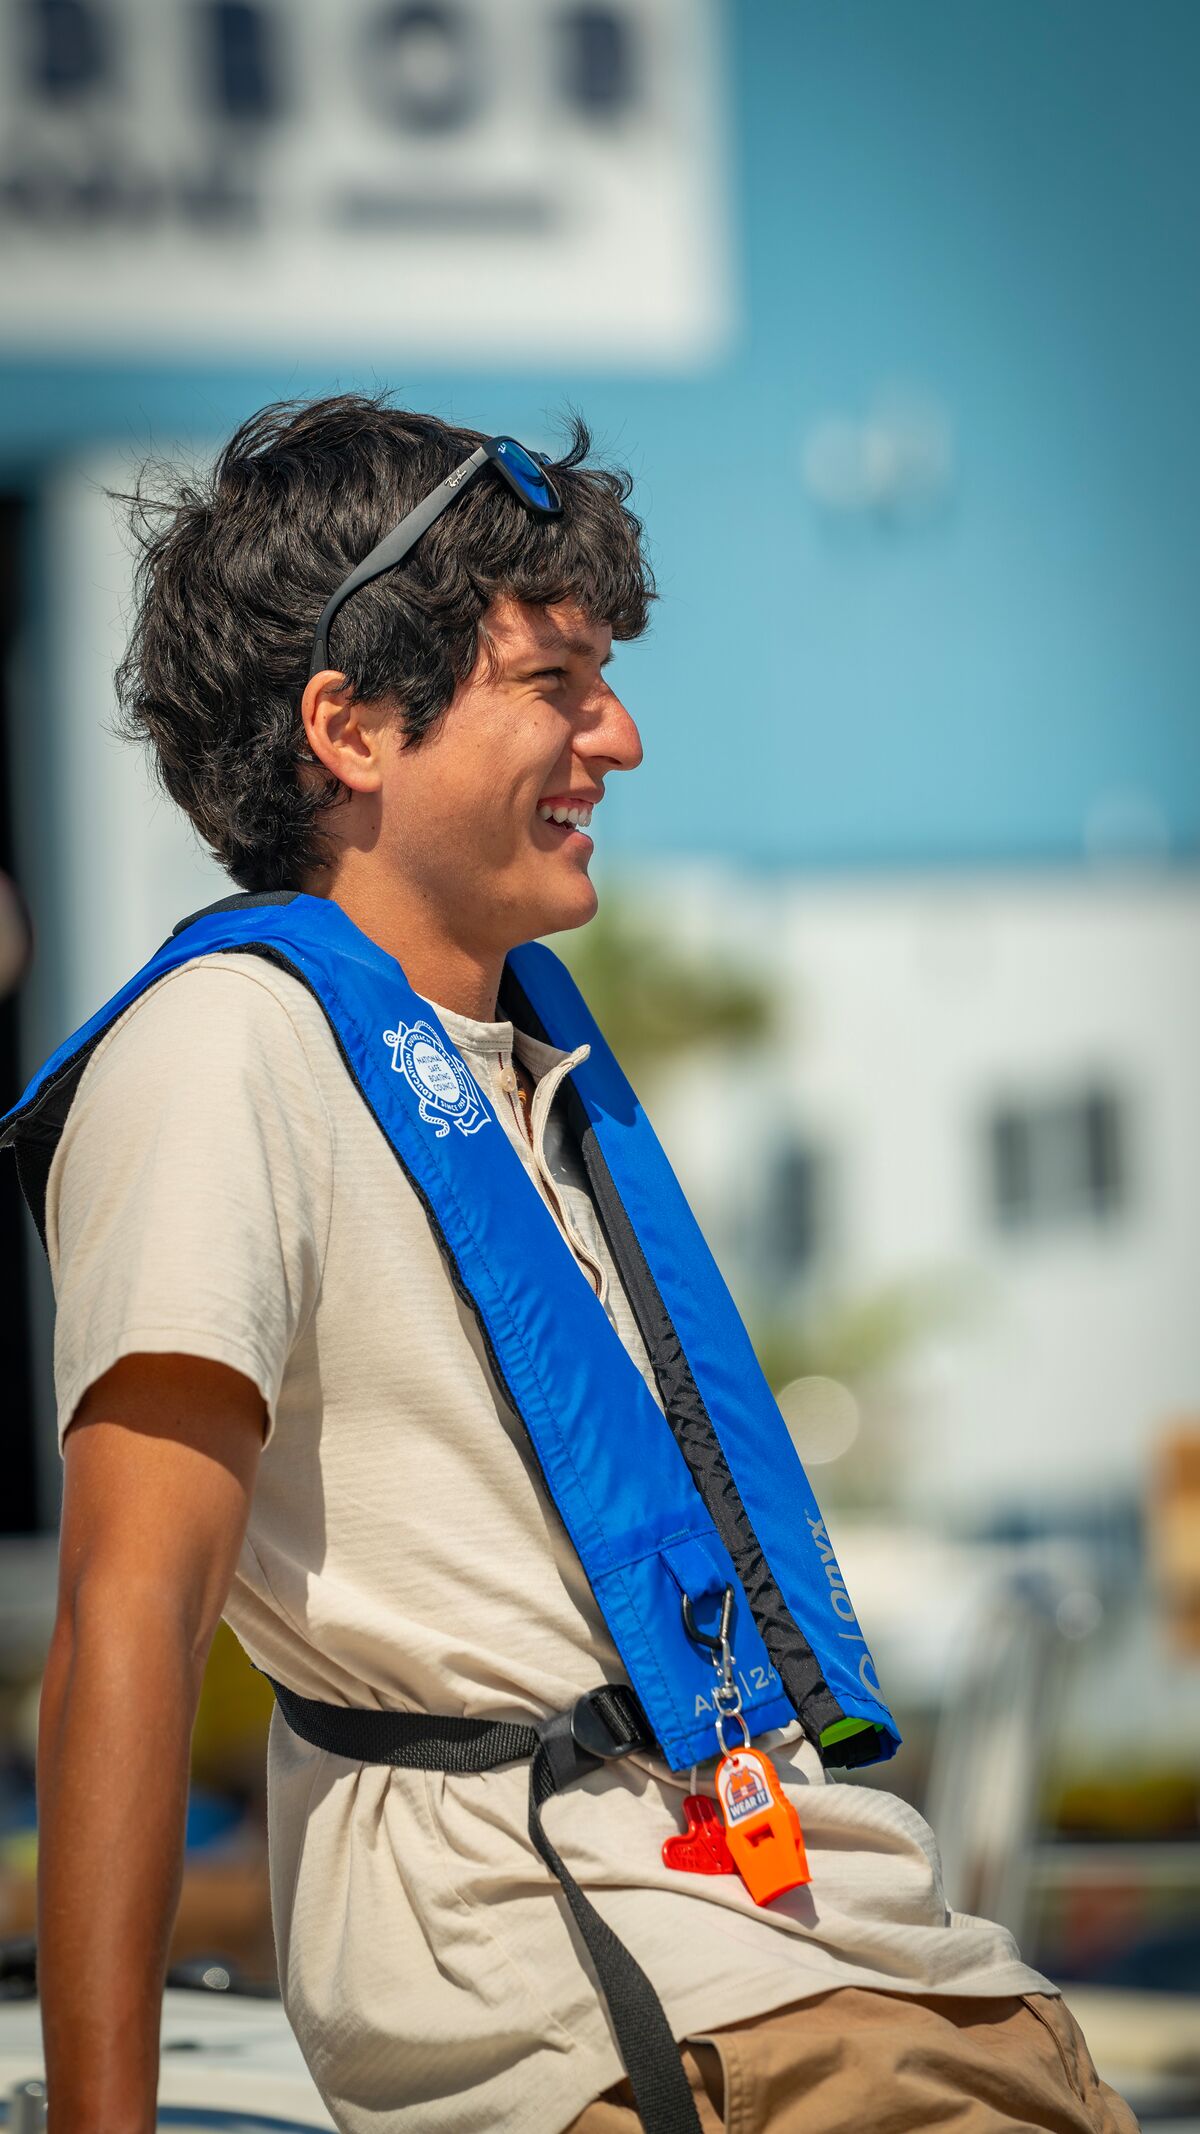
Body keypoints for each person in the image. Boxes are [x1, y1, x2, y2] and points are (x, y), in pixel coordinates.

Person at [5, 395, 1136, 2134]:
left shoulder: (526, 1073)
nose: (616, 735)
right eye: (555, 681)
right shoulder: (224, 1051)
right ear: (351, 727)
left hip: (849, 1953)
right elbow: (120, 1623)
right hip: (612, 1989)